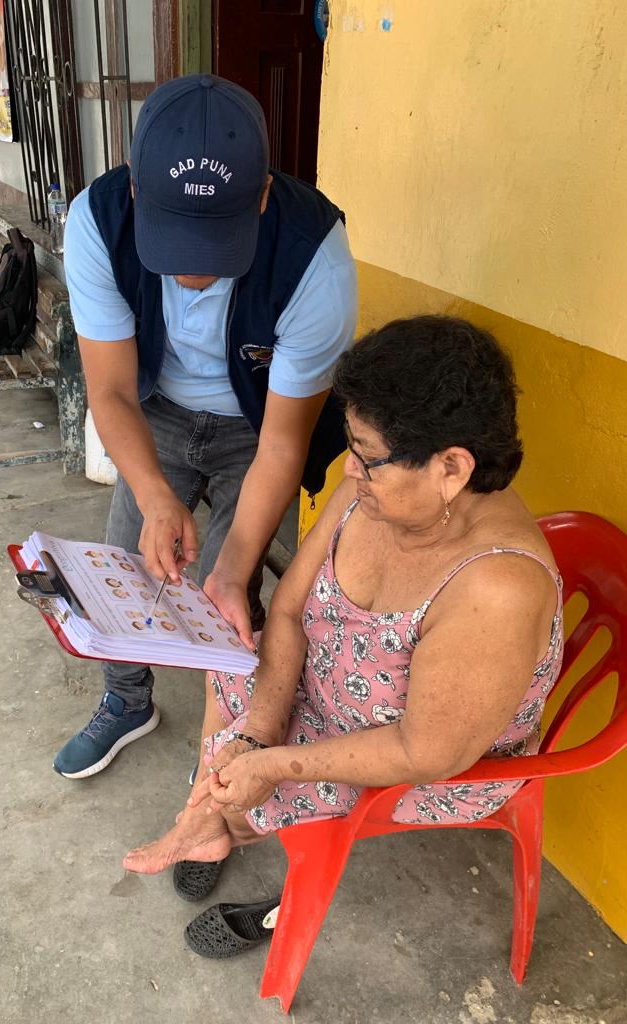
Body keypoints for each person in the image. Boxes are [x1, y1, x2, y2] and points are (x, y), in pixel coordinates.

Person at [122, 316, 564, 942]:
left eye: (367, 456)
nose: (350, 470)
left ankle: (240, 843)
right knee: (227, 665)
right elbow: (288, 612)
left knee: (254, 783)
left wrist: (275, 766)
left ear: (452, 468)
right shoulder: (375, 490)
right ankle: (215, 821)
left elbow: (426, 753)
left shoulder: (497, 588)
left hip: (414, 759)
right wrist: (257, 735)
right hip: (324, 690)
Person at [55, 74, 357, 779]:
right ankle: (126, 701)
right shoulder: (97, 222)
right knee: (122, 569)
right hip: (154, 411)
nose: (193, 273)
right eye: (176, 243)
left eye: (217, 244)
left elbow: (283, 441)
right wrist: (155, 495)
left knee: (229, 600)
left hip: (257, 427)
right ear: (135, 189)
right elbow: (111, 390)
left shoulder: (315, 259)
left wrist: (230, 568)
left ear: (262, 196)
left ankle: (224, 755)